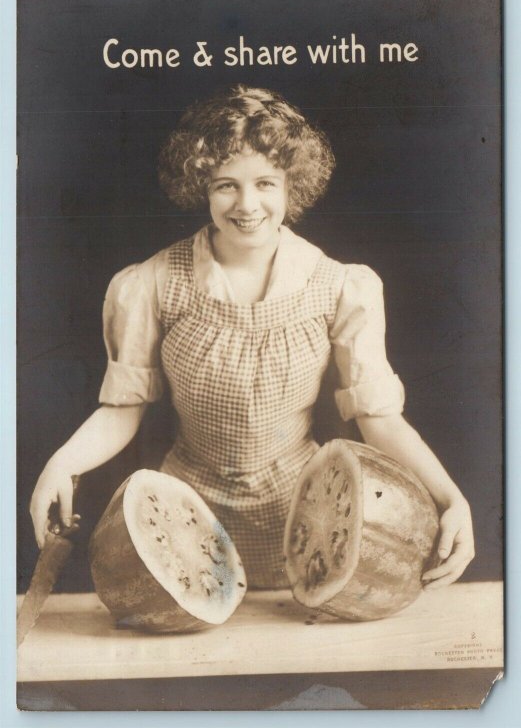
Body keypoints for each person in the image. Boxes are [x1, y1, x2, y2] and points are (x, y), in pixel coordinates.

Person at [30, 84, 474, 591]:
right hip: (182, 528)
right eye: (225, 185)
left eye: (266, 183)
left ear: (292, 186)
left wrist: (450, 498)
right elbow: (121, 410)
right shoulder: (151, 283)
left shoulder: (342, 286)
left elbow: (380, 422)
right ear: (200, 185)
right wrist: (60, 464)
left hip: (310, 529)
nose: (247, 204)